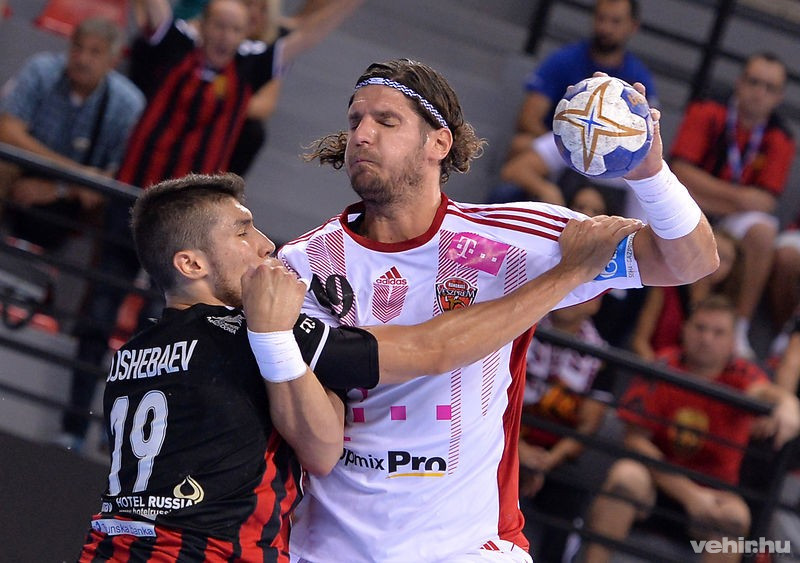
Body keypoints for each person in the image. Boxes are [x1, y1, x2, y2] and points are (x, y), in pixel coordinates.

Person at [278, 58, 717, 561]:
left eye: (386, 121)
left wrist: (649, 173)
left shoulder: (510, 238)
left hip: (471, 547)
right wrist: (565, 277)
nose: (361, 135)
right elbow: (426, 351)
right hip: (328, 549)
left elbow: (692, 261)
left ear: (438, 143)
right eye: (355, 120)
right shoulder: (304, 262)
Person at [77, 172, 642, 561]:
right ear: (191, 262)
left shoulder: (130, 357)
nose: (266, 244)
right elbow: (429, 353)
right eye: (243, 231)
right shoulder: (249, 330)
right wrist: (567, 276)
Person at [60, 0, 363, 452]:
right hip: (131, 210)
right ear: (202, 26)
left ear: (245, 35)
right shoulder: (173, 45)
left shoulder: (250, 67)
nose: (223, 36)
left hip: (191, 230)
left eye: (233, 29)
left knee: (162, 332)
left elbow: (307, 36)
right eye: (217, 25)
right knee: (99, 313)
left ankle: (122, 438)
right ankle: (72, 425)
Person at [582, 295, 800, 563]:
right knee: (626, 476)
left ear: (733, 341)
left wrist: (789, 403)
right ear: (685, 329)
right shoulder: (663, 365)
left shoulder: (742, 373)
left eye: (718, 332)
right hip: (654, 482)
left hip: (713, 493)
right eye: (700, 328)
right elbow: (635, 441)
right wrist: (690, 495)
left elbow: (765, 392)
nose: (706, 338)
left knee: (735, 517)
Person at [670, 52, 795, 359]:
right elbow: (680, 170)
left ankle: (739, 327)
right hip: (689, 202)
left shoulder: (781, 137)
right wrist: (739, 198)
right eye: (754, 82)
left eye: (769, 87)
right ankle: (689, 321)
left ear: (779, 97)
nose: (759, 93)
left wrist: (712, 194)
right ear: (739, 82)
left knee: (763, 232)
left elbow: (765, 201)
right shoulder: (707, 110)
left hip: (716, 207)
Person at [0, 17, 144, 250]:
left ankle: (82, 272)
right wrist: (74, 172)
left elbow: (118, 174)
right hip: (30, 168)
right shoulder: (41, 70)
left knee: (119, 205)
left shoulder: (128, 104)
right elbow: (7, 131)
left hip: (80, 192)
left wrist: (60, 189)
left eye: (95, 52)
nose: (82, 59)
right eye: (77, 47)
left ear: (113, 61)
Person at [518, 296, 610, 563]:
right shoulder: (517, 329)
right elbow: (490, 400)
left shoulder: (602, 357)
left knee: (570, 493)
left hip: (555, 456)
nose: (572, 297)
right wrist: (519, 451)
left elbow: (587, 427)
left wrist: (545, 462)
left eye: (582, 292)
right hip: (503, 440)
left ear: (595, 303)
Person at [509, 0, 657, 158]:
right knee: (520, 144)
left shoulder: (639, 78)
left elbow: (645, 136)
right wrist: (570, 148)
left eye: (616, 21)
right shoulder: (564, 60)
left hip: (610, 156)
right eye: (601, 18)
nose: (605, 28)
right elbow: (528, 119)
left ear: (633, 26)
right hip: (560, 145)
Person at [629, 228, 738, 361]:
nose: (717, 262)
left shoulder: (727, 304)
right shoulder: (666, 285)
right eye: (714, 251)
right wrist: (657, 369)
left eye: (725, 259)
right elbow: (640, 341)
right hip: (656, 365)